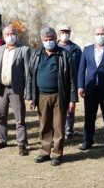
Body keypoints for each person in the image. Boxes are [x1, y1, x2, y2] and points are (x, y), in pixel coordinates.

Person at [26, 27, 77, 166]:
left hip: (60, 96)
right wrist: (30, 97)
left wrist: (72, 99)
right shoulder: (36, 55)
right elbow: (30, 77)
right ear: (42, 41)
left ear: (56, 39)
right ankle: (44, 152)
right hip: (41, 96)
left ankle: (57, 154)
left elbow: (72, 78)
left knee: (59, 126)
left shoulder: (64, 55)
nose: (49, 42)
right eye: (46, 40)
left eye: (51, 40)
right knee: (44, 125)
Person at [77, 26, 104, 153]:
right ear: (93, 34)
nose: (100, 36)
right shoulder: (87, 50)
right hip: (90, 90)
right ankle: (87, 141)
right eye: (98, 33)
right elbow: (81, 70)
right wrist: (81, 86)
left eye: (102, 33)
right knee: (89, 117)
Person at [0, 26, 31, 156]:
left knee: (19, 119)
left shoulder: (24, 50)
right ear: (3, 36)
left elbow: (28, 73)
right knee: (0, 117)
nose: (10, 35)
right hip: (1, 89)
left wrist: (26, 90)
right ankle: (1, 140)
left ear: (16, 34)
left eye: (12, 33)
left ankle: (22, 144)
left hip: (16, 89)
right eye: (7, 34)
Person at [56, 24, 82, 139]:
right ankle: (56, 129)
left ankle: (69, 130)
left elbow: (81, 67)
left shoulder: (76, 48)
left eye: (67, 32)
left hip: (71, 82)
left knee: (70, 107)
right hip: (56, 82)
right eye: (62, 32)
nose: (64, 34)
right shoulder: (53, 47)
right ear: (58, 33)